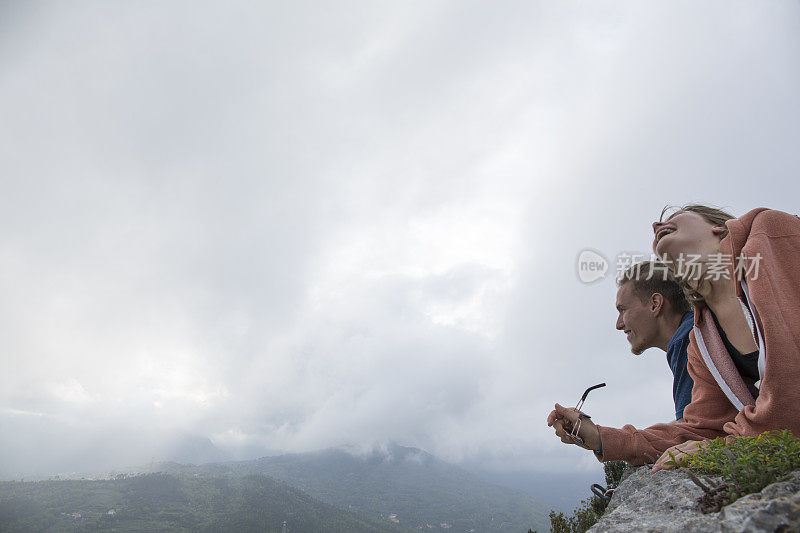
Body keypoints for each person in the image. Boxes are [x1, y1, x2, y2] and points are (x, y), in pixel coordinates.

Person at [547, 205, 800, 471]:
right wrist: (600, 437)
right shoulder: (703, 342)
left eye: (673, 220)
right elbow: (704, 431)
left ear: (717, 228)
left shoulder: (770, 234)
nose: (655, 228)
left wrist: (727, 447)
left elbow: (787, 403)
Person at [615, 261, 694, 421]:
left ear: (655, 304)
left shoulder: (689, 340)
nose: (619, 324)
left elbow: (691, 430)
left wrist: (601, 438)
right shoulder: (693, 331)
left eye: (623, 310)